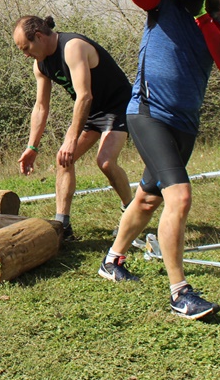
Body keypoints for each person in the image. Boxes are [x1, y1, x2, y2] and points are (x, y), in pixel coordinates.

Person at [97, 0, 220, 321]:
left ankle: (112, 259)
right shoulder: (167, 2)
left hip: (185, 123)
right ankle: (180, 292)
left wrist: (206, 18)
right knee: (178, 197)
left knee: (148, 198)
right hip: (148, 113)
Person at [13, 16, 133, 240]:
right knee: (63, 160)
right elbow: (40, 107)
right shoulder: (40, 64)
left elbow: (84, 95)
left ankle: (131, 212)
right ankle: (63, 227)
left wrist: (71, 137)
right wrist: (32, 146)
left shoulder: (72, 47)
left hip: (118, 106)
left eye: (26, 48)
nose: (26, 54)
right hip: (92, 111)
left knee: (105, 162)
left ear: (39, 36)